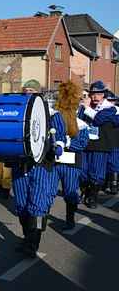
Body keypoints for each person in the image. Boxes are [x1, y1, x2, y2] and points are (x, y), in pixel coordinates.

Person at [10, 79, 63, 258]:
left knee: (38, 205)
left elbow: (60, 136)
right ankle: (27, 237)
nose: (28, 93)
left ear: (39, 93)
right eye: (26, 90)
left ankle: (33, 243)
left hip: (42, 165)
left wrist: (58, 146)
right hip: (20, 165)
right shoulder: (17, 113)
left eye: (32, 90)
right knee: (21, 205)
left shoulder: (52, 114)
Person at [53, 81, 90, 230]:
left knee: (70, 192)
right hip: (54, 161)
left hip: (72, 162)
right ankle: (38, 222)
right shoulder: (54, 117)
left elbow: (82, 144)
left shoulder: (81, 123)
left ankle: (70, 219)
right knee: (47, 192)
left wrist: (66, 142)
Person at [77, 80, 118, 209]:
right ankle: (85, 190)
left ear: (103, 95)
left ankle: (92, 196)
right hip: (85, 144)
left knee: (97, 174)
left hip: (100, 145)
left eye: (98, 94)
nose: (94, 96)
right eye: (92, 94)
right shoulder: (85, 107)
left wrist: (87, 108)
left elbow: (99, 119)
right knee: (82, 172)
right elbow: (79, 120)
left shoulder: (110, 108)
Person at [104, 91, 119, 195]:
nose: (110, 102)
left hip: (115, 140)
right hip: (105, 140)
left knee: (114, 163)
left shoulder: (116, 110)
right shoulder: (102, 110)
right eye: (108, 100)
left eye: (112, 101)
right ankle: (106, 183)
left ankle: (114, 184)